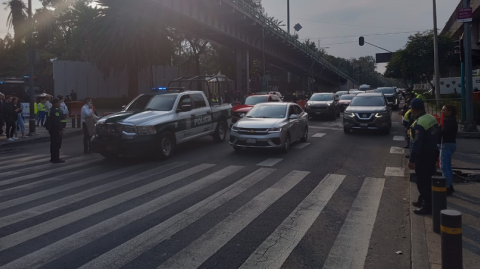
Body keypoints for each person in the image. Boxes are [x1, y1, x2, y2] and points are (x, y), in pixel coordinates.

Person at [408, 99, 440, 215]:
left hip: (423, 156)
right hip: (432, 152)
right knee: (427, 178)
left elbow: (417, 143)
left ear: (413, 109)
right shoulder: (431, 118)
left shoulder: (419, 123)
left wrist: (412, 160)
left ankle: (427, 206)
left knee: (422, 181)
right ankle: (422, 199)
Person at [439, 105, 458, 196]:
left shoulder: (448, 121)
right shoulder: (452, 120)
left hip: (446, 145)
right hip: (451, 144)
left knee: (444, 167)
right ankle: (449, 185)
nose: (442, 111)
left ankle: (446, 187)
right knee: (448, 167)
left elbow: (443, 132)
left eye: (444, 110)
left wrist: (438, 130)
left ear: (449, 112)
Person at [48, 98, 65, 163]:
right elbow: (57, 121)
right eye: (58, 102)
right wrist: (60, 129)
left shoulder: (51, 110)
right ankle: (56, 158)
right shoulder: (56, 111)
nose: (59, 104)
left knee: (53, 144)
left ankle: (53, 158)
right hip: (56, 130)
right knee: (57, 144)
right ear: (55, 103)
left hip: (52, 129)